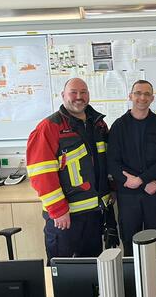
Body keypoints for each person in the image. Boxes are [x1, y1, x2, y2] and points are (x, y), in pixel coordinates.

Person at [26, 78, 112, 261]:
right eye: (73, 92)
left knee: (92, 272)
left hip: (94, 215)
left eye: (83, 92)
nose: (79, 97)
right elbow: (41, 173)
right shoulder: (49, 128)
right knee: (65, 277)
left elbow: (105, 164)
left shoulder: (99, 125)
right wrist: (58, 210)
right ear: (63, 95)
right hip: (66, 219)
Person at [107, 80, 156, 255]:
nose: (142, 97)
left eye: (146, 94)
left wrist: (142, 180)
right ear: (130, 96)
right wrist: (141, 182)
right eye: (138, 93)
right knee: (129, 243)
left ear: (152, 98)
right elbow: (113, 162)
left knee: (155, 243)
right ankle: (133, 283)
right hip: (128, 195)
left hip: (155, 193)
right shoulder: (118, 126)